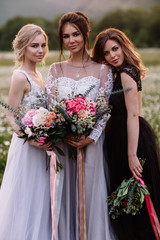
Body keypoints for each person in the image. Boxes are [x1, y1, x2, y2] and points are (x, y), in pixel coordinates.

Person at [47, 11, 115, 240]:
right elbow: (52, 109)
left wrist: (91, 136)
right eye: (66, 36)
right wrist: (63, 130)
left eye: (75, 34)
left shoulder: (103, 69)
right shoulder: (55, 69)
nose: (71, 40)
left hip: (92, 144)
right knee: (66, 195)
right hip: (65, 144)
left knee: (91, 196)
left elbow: (105, 109)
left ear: (86, 34)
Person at [91, 27, 160, 240]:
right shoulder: (122, 72)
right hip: (124, 137)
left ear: (123, 46)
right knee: (129, 199)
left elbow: (132, 115)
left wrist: (131, 155)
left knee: (134, 198)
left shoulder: (126, 73)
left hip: (130, 140)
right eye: (106, 53)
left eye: (115, 49)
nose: (112, 55)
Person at [0, 24, 52, 240]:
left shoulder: (39, 74)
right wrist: (29, 139)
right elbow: (10, 116)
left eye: (43, 45)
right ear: (23, 47)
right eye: (34, 46)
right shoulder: (20, 76)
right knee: (27, 195)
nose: (40, 50)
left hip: (44, 145)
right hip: (28, 148)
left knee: (42, 197)